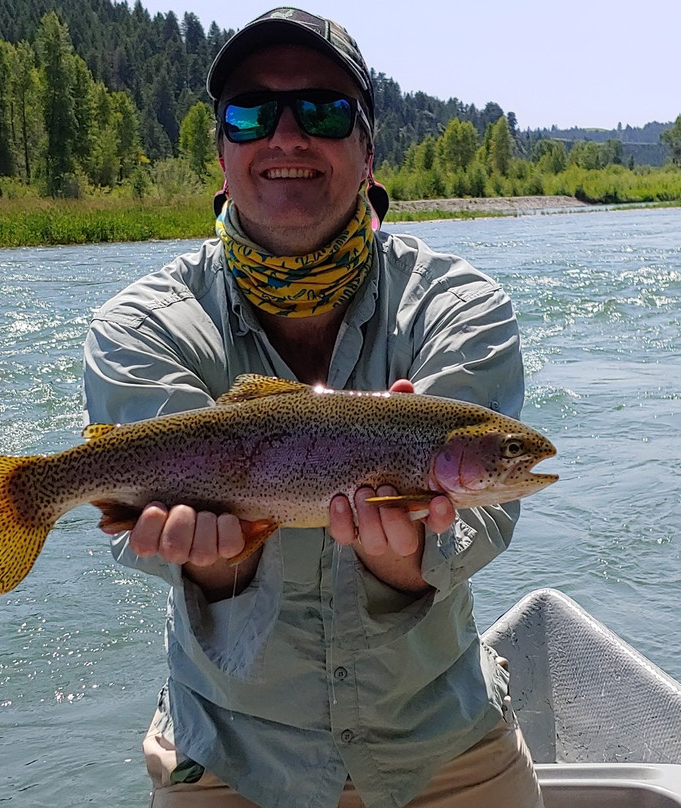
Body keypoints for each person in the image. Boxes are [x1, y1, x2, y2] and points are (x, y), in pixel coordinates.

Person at [82, 8, 542, 808]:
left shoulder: (461, 305)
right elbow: (144, 519)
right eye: (252, 113)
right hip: (231, 750)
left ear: (367, 151)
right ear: (221, 156)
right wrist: (219, 560)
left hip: (439, 738)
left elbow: (480, 524)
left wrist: (401, 561)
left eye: (324, 111)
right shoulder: (139, 326)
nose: (287, 137)